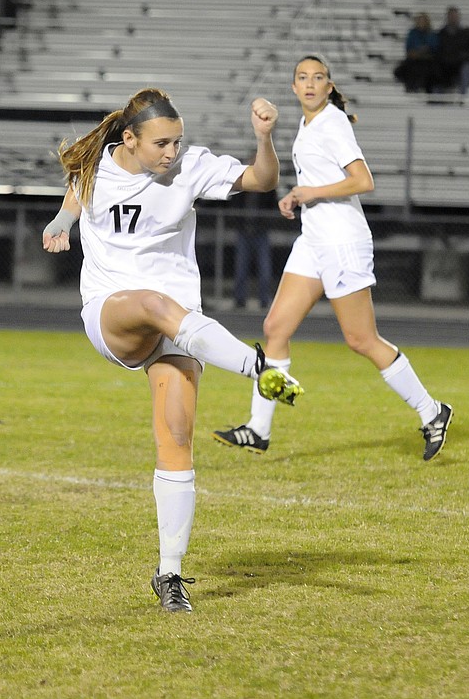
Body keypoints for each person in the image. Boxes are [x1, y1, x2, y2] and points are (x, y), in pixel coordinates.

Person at [41, 88, 304, 613]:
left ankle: (170, 574)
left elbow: (263, 180)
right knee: (151, 300)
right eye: (162, 143)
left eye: (178, 142)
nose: (172, 153)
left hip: (182, 326)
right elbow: (79, 188)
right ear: (129, 138)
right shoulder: (97, 163)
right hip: (114, 312)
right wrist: (62, 222)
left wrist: (264, 137)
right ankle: (257, 367)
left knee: (177, 436)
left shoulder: (191, 167)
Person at [212, 54, 452, 461]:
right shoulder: (307, 125)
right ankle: (258, 429)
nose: (309, 83)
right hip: (315, 238)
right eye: (302, 78)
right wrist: (297, 195)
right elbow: (317, 181)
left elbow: (363, 180)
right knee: (275, 327)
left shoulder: (333, 122)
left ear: (329, 85)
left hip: (342, 241)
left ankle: (433, 412)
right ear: (293, 87)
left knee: (360, 339)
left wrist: (310, 193)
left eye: (317, 77)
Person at [230, 185, 277, 309]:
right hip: (244, 230)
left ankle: (264, 300)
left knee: (264, 269)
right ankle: (240, 300)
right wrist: (239, 223)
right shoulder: (243, 186)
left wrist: (264, 224)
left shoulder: (267, 186)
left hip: (261, 231)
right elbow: (235, 204)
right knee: (241, 268)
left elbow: (272, 206)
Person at [434, 6, 469, 96]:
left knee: (467, 68)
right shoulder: (440, 34)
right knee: (436, 72)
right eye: (450, 16)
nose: (453, 18)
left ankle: (463, 96)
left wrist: (465, 57)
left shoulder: (467, 33)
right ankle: (437, 100)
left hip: (463, 64)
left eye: (454, 16)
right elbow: (436, 52)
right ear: (447, 18)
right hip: (446, 66)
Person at [393, 12, 440, 94]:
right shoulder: (412, 34)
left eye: (423, 21)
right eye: (419, 21)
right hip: (414, 61)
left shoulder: (432, 34)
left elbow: (433, 49)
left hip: (427, 63)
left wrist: (420, 52)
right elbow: (409, 50)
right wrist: (420, 51)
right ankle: (412, 87)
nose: (421, 23)